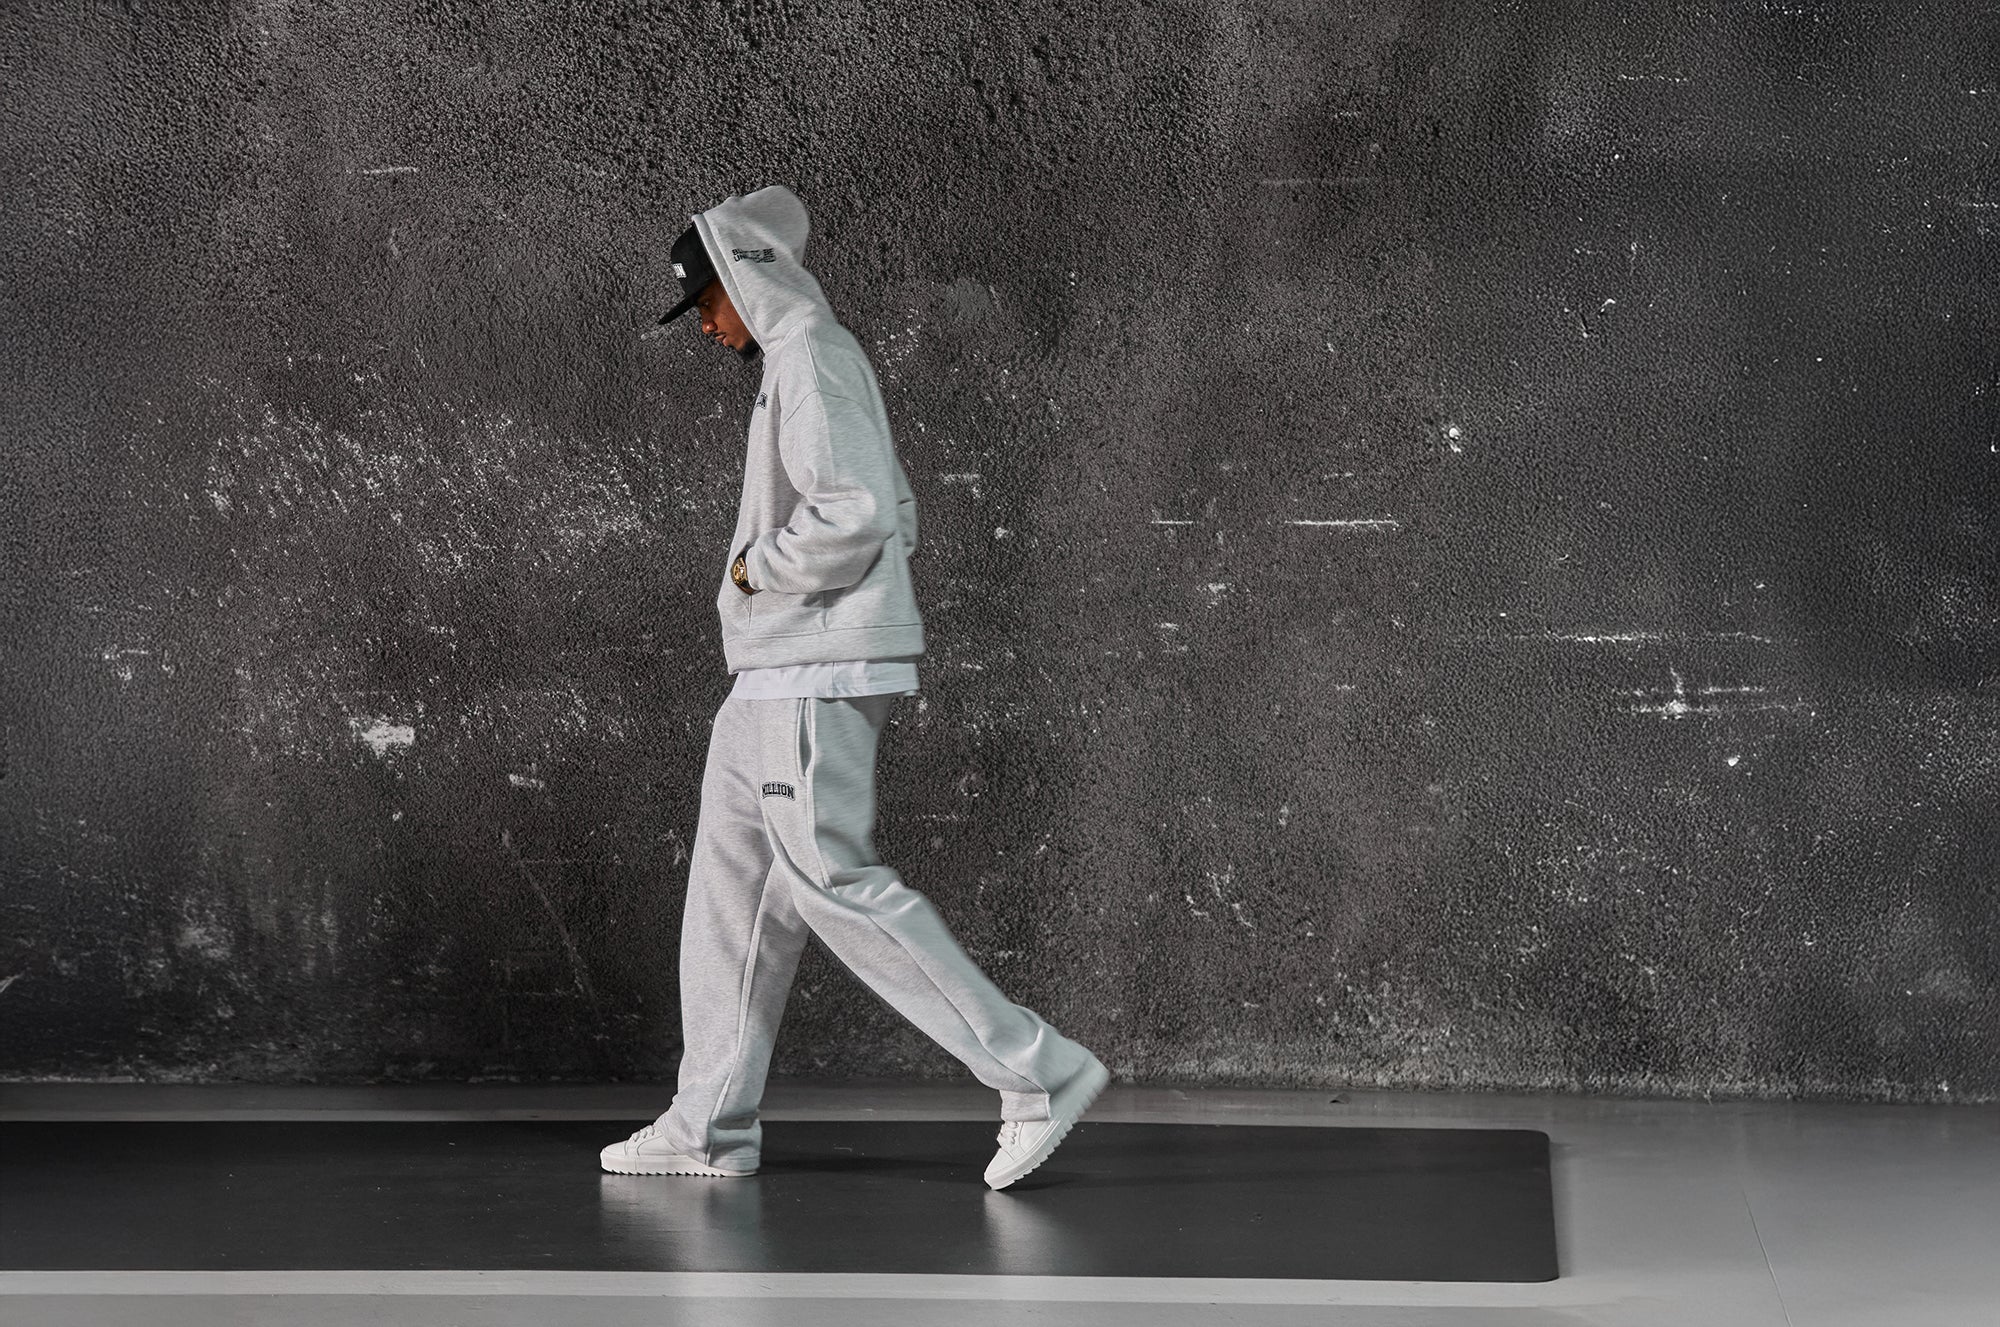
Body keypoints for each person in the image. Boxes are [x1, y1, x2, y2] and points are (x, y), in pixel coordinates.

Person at [600, 184, 1108, 1190]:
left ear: (745, 276)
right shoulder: (794, 362)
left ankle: (1038, 1071)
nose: (702, 323)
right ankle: (707, 1125)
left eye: (705, 299)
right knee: (731, 895)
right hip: (774, 670)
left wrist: (754, 568)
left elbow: (861, 508)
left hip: (810, 669)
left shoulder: (809, 354)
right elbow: (897, 506)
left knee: (831, 881)